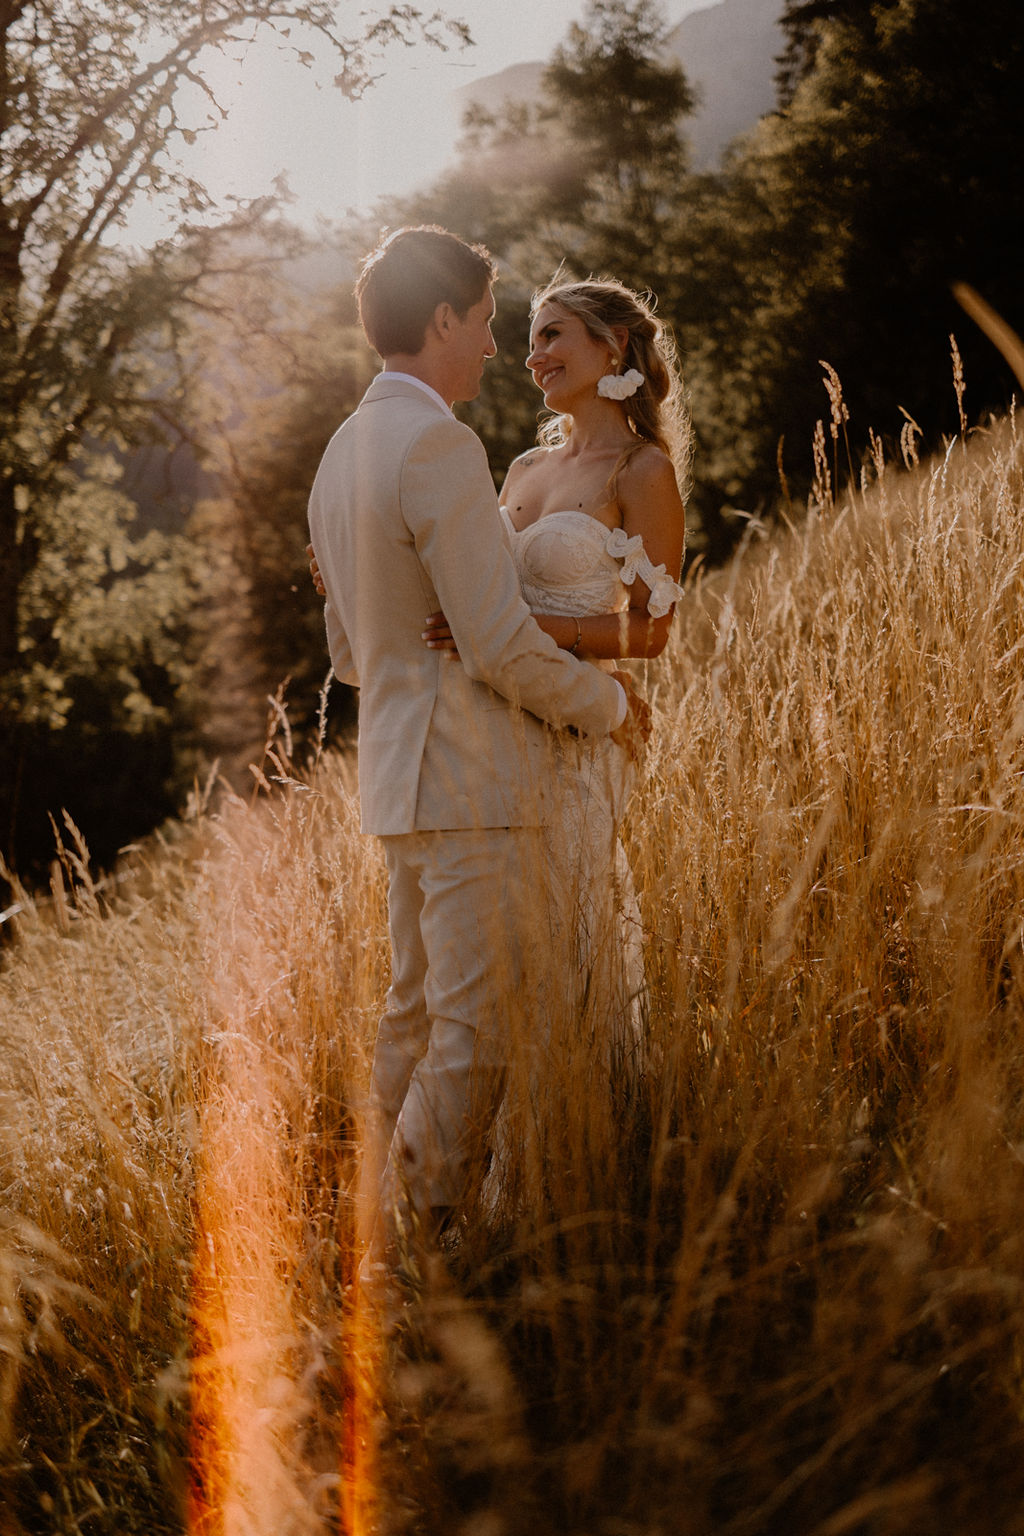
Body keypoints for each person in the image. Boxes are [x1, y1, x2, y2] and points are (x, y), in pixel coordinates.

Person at [305, 227, 647, 1272]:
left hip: (401, 783)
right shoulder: (439, 445)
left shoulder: (340, 453)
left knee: (413, 1021)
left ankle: (376, 1241)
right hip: (477, 784)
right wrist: (609, 706)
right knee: (472, 1033)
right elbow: (496, 646)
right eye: (486, 322)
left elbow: (353, 655)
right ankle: (406, 1264)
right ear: (444, 319)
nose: (495, 348)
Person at [420, 277, 688, 1207]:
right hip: (494, 735)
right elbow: (468, 583)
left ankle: (575, 1177)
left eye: (553, 335)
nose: (533, 355)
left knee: (568, 949)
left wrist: (540, 641)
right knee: (495, 958)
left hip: (577, 739)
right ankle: (490, 1181)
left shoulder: (642, 474)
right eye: (529, 339)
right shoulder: (524, 472)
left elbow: (655, 632)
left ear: (614, 346)